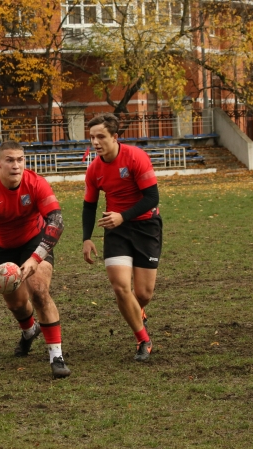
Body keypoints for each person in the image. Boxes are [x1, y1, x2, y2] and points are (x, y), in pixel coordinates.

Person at [0, 140, 71, 379]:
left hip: (34, 241)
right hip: (1, 247)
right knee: (16, 304)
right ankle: (29, 331)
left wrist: (35, 258)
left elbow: (57, 222)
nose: (16, 165)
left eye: (20, 160)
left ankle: (56, 356)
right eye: (9, 160)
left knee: (39, 290)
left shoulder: (36, 183)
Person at [81, 113, 161, 362]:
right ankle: (142, 339)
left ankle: (140, 310)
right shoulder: (94, 169)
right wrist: (87, 238)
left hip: (146, 226)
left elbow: (152, 198)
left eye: (101, 136)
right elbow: (89, 206)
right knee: (120, 286)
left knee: (143, 294)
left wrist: (123, 216)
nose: (95, 142)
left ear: (115, 137)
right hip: (115, 228)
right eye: (92, 137)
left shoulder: (136, 157)